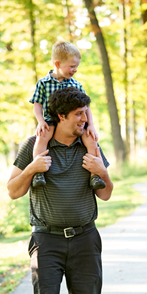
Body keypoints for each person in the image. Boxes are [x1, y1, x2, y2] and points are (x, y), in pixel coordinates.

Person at [7, 88, 113, 294]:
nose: (85, 118)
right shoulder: (34, 145)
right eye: (79, 114)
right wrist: (32, 167)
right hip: (46, 239)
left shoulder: (90, 144)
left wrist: (100, 169)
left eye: (85, 112)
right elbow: (13, 190)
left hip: (85, 237)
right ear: (62, 116)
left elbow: (106, 193)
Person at [29, 40, 105, 191]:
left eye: (76, 66)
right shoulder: (43, 83)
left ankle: (94, 176)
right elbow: (36, 104)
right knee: (41, 138)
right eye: (72, 66)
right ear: (57, 64)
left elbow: (86, 107)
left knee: (90, 140)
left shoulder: (76, 85)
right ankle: (38, 173)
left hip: (72, 123)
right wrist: (41, 121)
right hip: (51, 121)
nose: (75, 70)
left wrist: (90, 125)